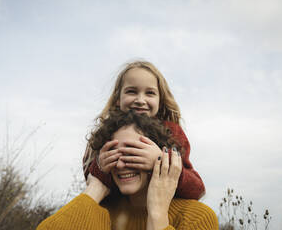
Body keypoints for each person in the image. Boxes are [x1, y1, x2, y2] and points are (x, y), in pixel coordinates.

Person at [37, 110, 218, 229]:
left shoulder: (196, 218)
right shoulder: (100, 212)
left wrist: (157, 215)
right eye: (115, 153)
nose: (122, 164)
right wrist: (96, 186)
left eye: (133, 153)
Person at [83, 60, 205, 200]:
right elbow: (91, 182)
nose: (141, 100)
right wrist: (100, 167)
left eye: (150, 93)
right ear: (118, 98)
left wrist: (160, 161)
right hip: (118, 213)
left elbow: (197, 189)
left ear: (160, 100)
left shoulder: (172, 133)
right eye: (131, 91)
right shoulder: (106, 133)